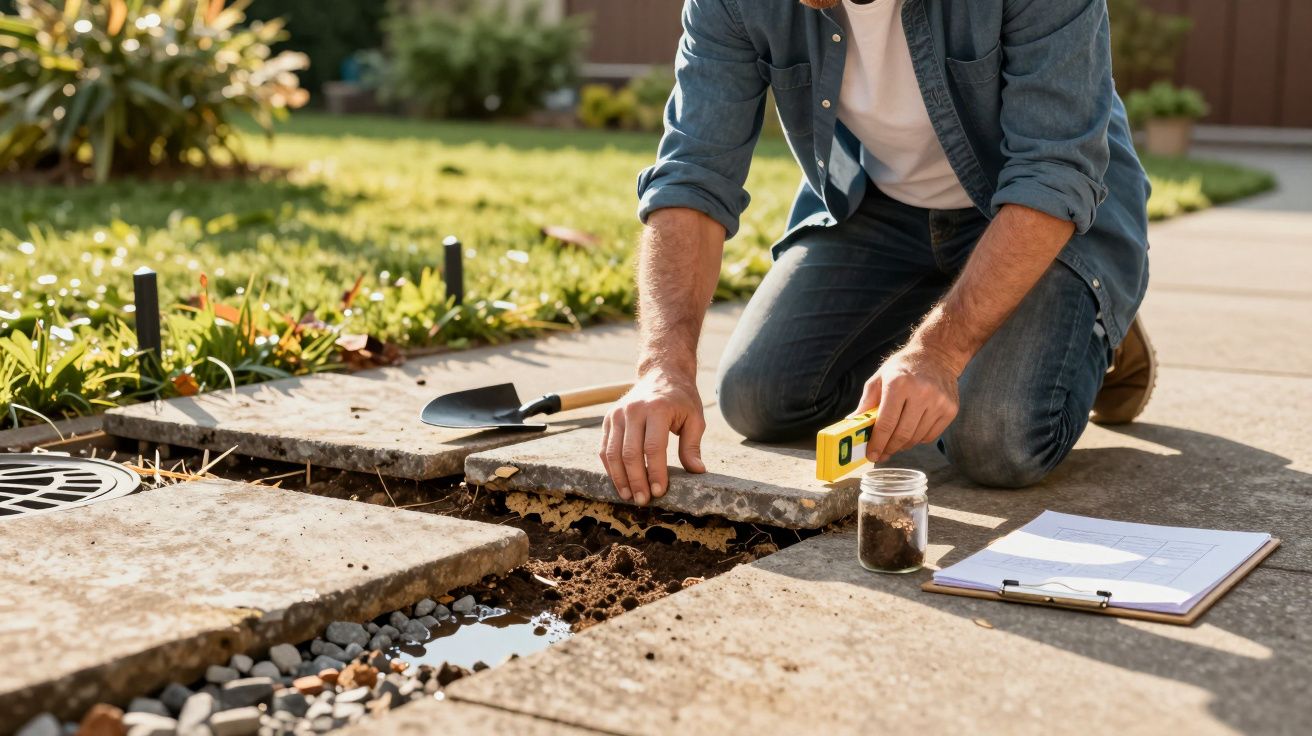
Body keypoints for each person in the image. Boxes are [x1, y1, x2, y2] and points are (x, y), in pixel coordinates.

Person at [599, 0, 1154, 506]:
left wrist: (938, 354)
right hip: (881, 206)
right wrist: (663, 367)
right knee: (759, 399)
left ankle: (1094, 319)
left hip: (1033, 213)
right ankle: (970, 309)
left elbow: (1053, 174)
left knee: (995, 441)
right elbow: (694, 176)